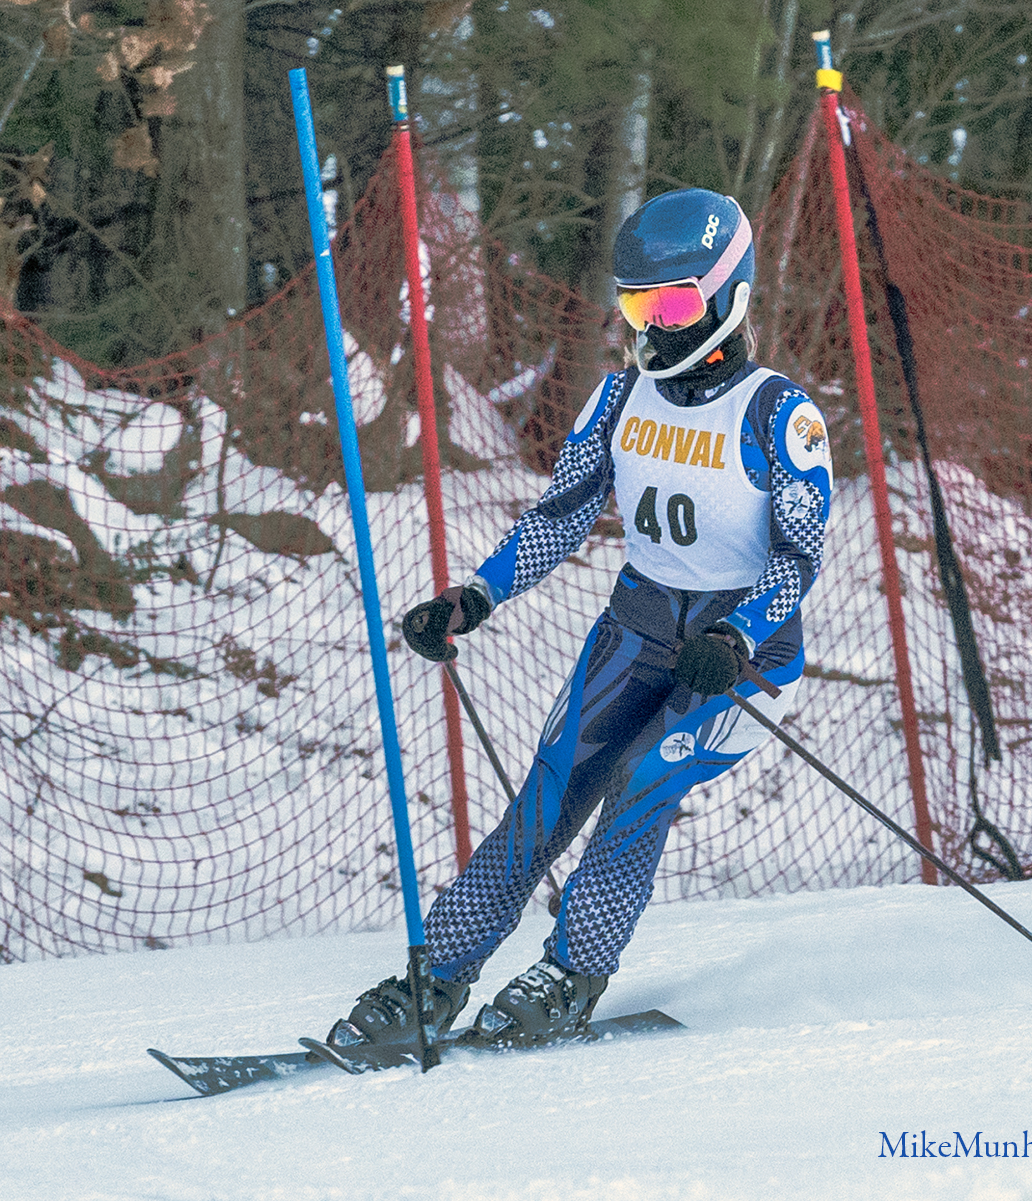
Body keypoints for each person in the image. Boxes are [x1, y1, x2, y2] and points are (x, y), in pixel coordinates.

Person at [326, 187, 833, 1049]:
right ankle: (433, 978)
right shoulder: (618, 399)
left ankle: (571, 973)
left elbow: (798, 556)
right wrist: (474, 595)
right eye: (639, 307)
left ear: (730, 296)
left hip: (741, 659)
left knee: (639, 786)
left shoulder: (779, 415)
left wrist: (738, 632)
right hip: (635, 630)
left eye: (675, 306)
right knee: (547, 798)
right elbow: (561, 516)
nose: (655, 328)